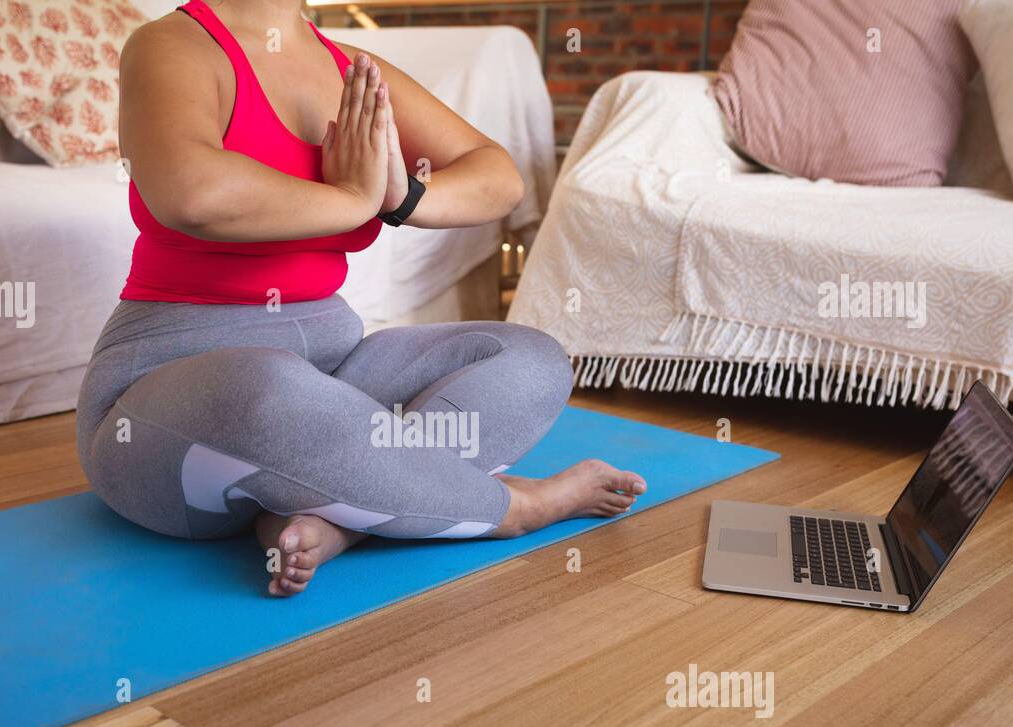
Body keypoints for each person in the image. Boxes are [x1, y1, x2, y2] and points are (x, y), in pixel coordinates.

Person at [76, 0, 647, 596]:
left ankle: (338, 519)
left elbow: (497, 176)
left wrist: (402, 196)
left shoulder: (351, 69)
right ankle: (515, 508)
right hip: (168, 418)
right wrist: (353, 197)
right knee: (270, 387)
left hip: (334, 373)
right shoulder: (170, 45)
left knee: (530, 358)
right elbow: (189, 192)